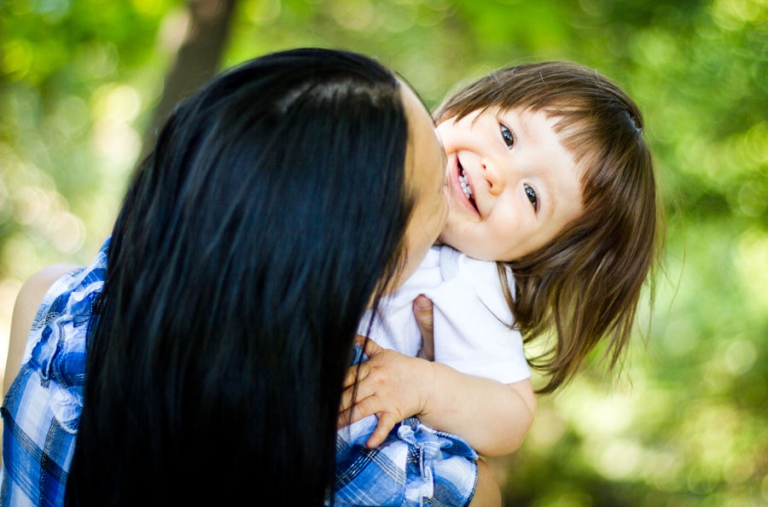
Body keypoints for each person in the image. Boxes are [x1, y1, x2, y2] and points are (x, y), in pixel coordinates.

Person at [0, 48, 486, 506]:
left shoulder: (51, 315)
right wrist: (444, 385)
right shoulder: (415, 481)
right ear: (368, 267)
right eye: (438, 184)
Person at [333, 61, 662, 505]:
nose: (497, 173)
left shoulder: (468, 278)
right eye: (507, 136)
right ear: (469, 104)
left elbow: (513, 416)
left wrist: (425, 385)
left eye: (531, 195)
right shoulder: (367, 146)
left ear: (537, 253)